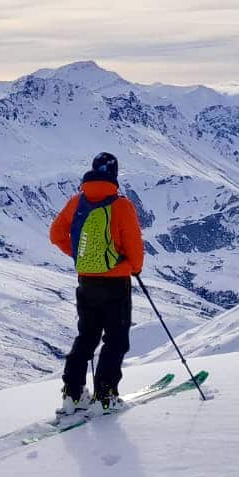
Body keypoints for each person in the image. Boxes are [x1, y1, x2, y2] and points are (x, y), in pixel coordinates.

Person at [48, 151, 145, 416]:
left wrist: (81, 255)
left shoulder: (76, 201)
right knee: (115, 340)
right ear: (114, 174)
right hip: (116, 283)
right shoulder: (121, 205)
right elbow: (134, 246)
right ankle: (105, 395)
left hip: (86, 282)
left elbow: (56, 234)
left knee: (87, 337)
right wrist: (131, 267)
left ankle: (73, 394)